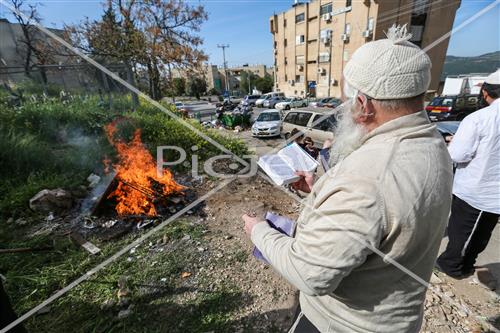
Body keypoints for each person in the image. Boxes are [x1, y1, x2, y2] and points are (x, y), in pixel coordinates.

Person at [242, 25, 453, 332]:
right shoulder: (433, 144)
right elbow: (385, 216)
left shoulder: (368, 178)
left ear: (364, 105)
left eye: (346, 102)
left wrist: (259, 231)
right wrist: (320, 191)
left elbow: (309, 275)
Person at [436, 69, 500, 284]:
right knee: (480, 233)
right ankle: (464, 262)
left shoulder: (480, 118)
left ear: (486, 93)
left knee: (464, 232)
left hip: (478, 190)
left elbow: (458, 154)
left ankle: (453, 266)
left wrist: (454, 142)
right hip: (492, 195)